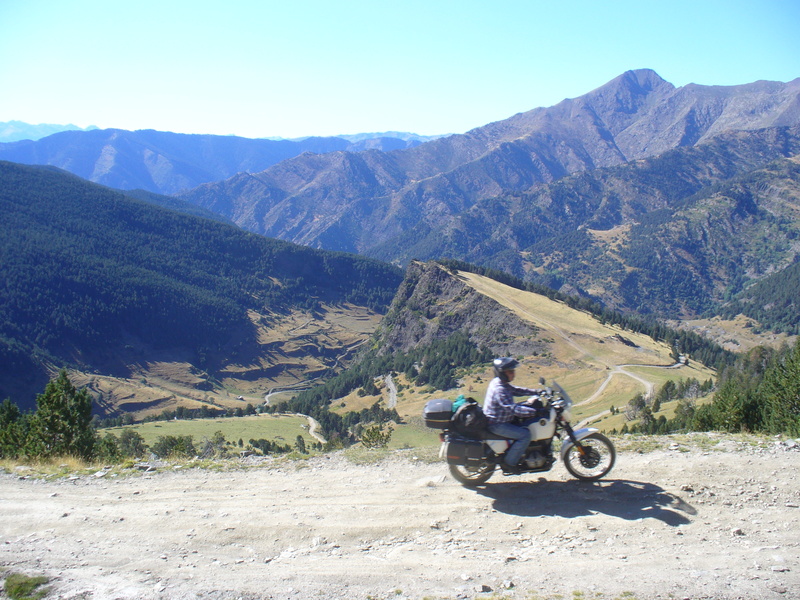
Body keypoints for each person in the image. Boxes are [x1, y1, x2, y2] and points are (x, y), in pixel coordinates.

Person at [483, 357, 542, 473]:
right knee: (525, 435)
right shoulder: (499, 389)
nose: (513, 373)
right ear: (502, 373)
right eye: (510, 371)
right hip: (496, 424)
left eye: (513, 371)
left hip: (500, 419)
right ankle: (509, 463)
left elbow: (516, 390)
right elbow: (512, 409)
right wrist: (536, 412)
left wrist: (536, 391)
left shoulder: (501, 383)